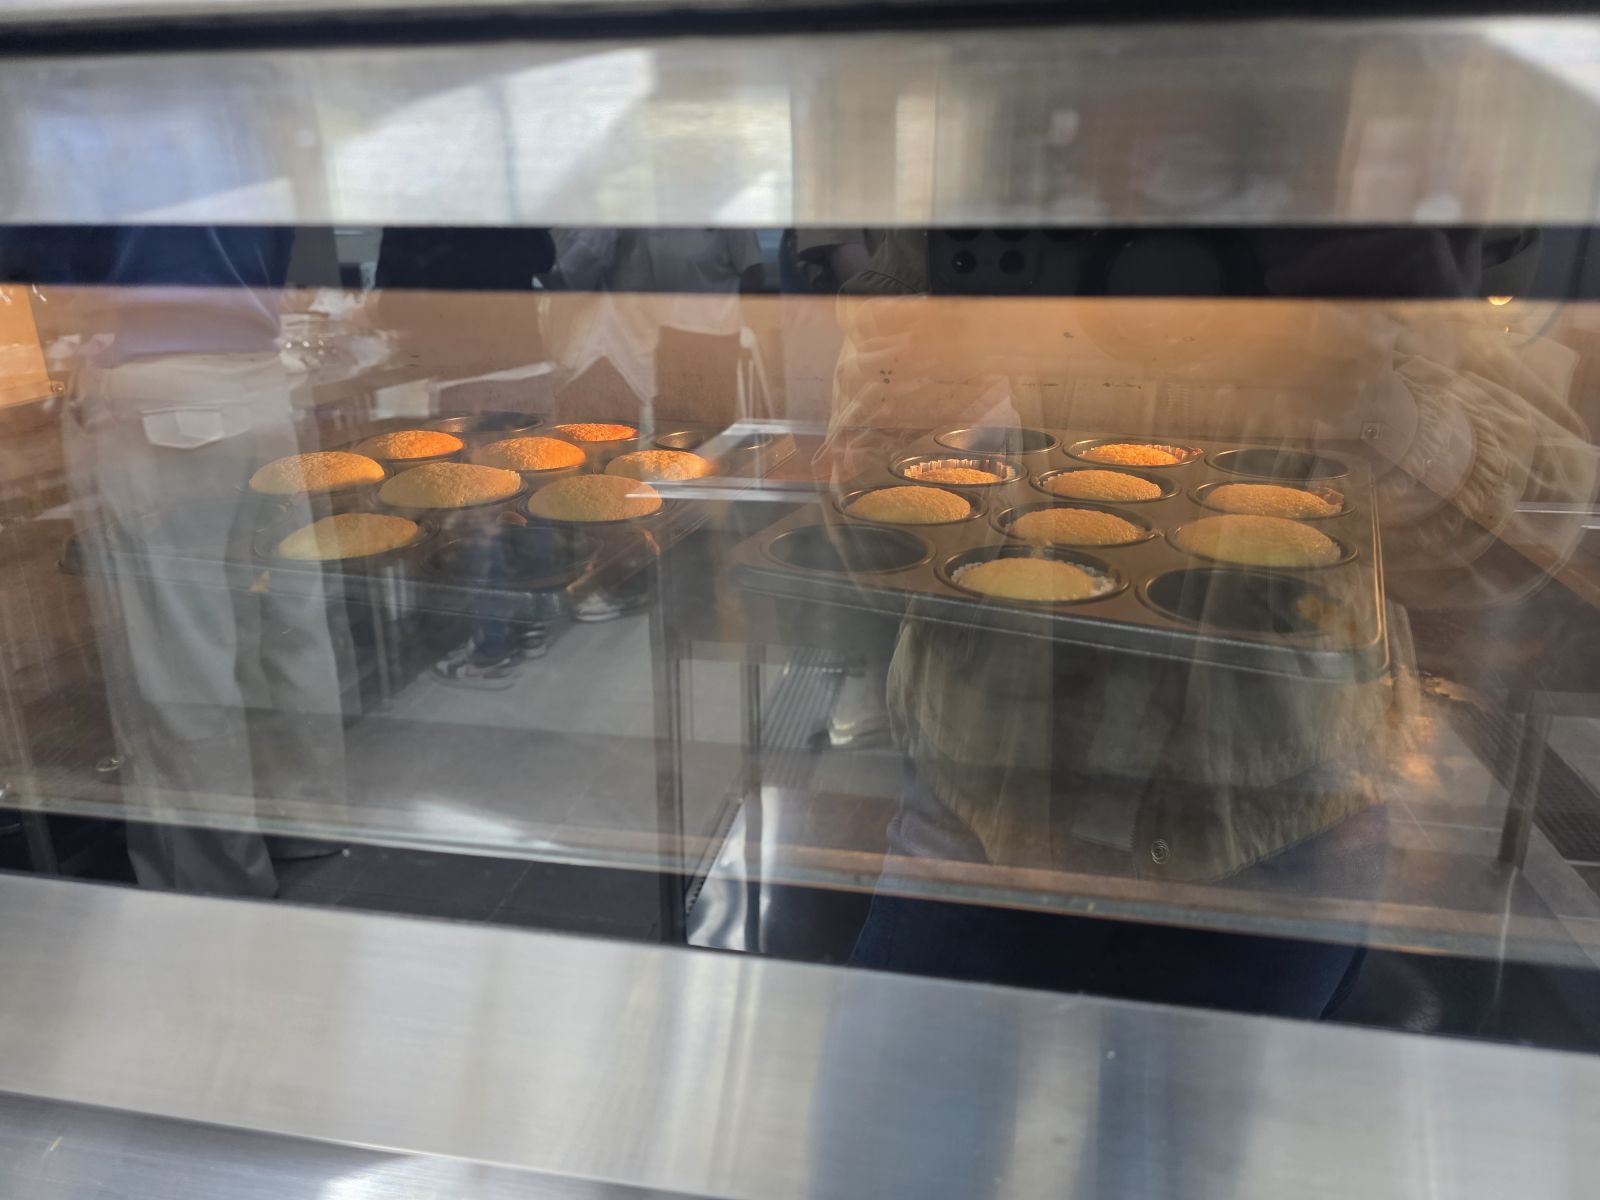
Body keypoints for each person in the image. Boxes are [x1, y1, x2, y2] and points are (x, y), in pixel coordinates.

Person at [824, 228, 1596, 1015]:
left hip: (1272, 818)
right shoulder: (988, 207)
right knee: (914, 1089)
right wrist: (932, 380)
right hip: (980, 796)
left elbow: (1521, 537)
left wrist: (1365, 390)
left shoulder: (1362, 204)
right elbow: (869, 529)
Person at [5, 226, 352, 897]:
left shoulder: (89, 153)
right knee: (287, 625)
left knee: (180, 650)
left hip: (153, 394)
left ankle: (216, 879)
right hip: (260, 380)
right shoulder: (241, 150)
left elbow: (37, 254)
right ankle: (307, 822)